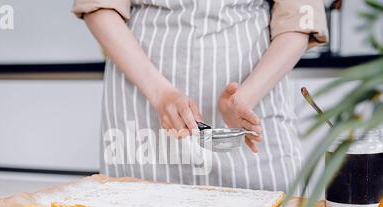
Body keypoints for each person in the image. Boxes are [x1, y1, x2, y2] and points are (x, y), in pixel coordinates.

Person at [73, 0, 328, 191]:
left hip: (256, 92)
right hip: (143, 95)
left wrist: (246, 97)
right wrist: (160, 94)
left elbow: (299, 18)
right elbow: (99, 5)